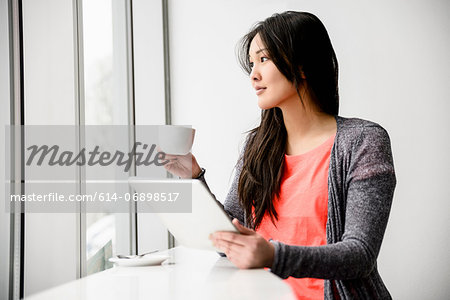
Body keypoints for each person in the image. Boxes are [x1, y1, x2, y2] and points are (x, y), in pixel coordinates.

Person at [163, 11, 396, 300]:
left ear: (301, 65)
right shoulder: (257, 147)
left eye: (264, 59)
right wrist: (193, 179)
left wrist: (272, 255)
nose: (253, 75)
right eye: (251, 63)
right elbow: (230, 239)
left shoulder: (363, 141)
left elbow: (360, 254)